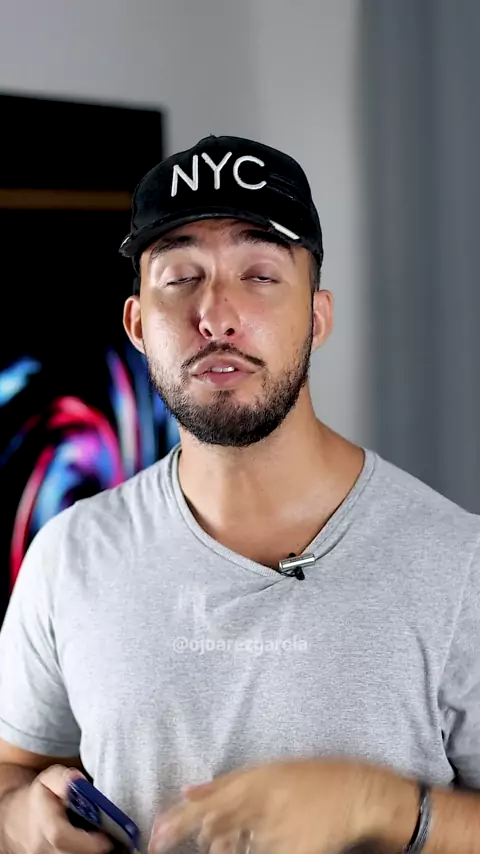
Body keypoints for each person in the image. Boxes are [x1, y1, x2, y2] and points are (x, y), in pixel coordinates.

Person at [0, 134, 480, 854]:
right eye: (180, 277)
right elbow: (12, 767)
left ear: (317, 317)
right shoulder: (70, 555)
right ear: (137, 324)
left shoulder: (460, 565)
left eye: (259, 274)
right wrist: (19, 818)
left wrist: (384, 807)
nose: (216, 316)